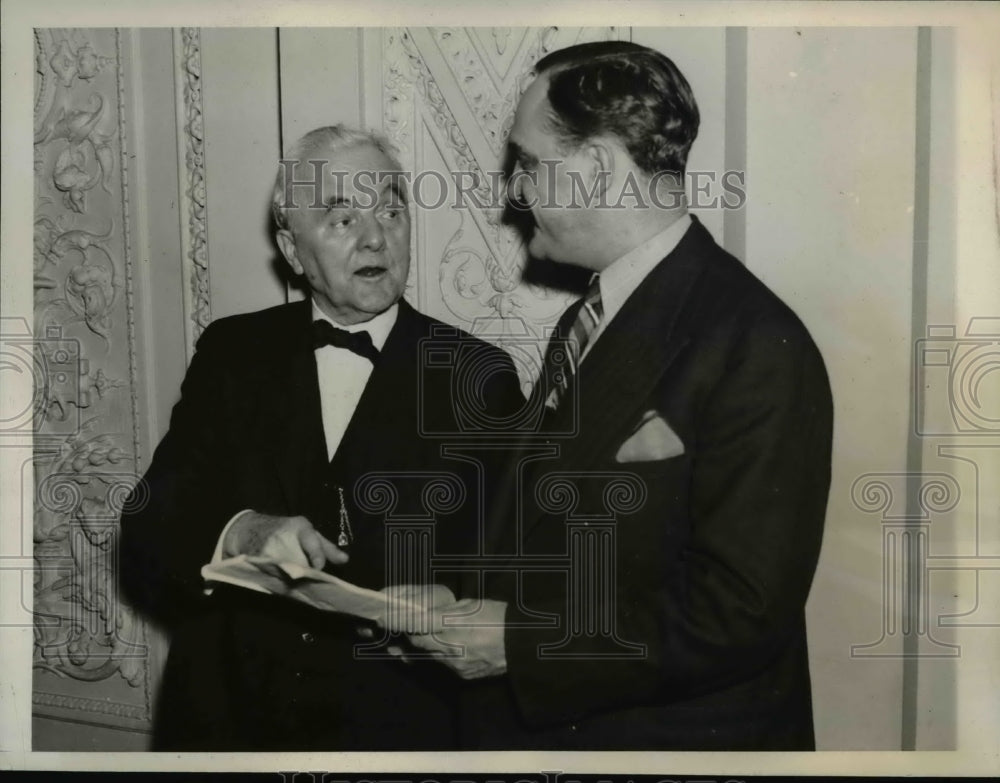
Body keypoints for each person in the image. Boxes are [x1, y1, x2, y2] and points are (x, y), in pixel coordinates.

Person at [400, 41, 834, 751]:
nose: (516, 192)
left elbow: (740, 613)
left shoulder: (755, 341)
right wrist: (457, 601)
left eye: (530, 165)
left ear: (597, 168)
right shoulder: (593, 315)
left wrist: (519, 643)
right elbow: (550, 523)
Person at [118, 125, 524, 751]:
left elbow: (517, 560)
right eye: (341, 219)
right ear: (291, 246)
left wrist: (456, 598)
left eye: (391, 211)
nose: (375, 237)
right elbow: (150, 525)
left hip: (396, 727)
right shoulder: (232, 351)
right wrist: (242, 530)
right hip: (233, 721)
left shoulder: (480, 375)